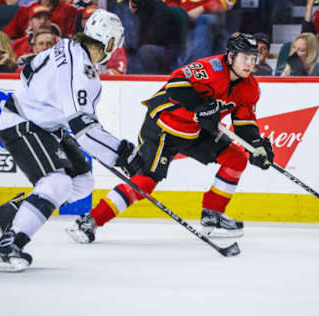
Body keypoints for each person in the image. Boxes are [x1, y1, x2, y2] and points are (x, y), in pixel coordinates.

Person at [66, 32, 275, 243]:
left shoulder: (249, 87)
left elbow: (244, 122)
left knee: (237, 158)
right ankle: (89, 221)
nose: (249, 63)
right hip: (163, 128)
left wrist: (255, 146)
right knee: (145, 182)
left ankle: (213, 215)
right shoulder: (211, 68)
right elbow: (176, 84)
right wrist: (201, 107)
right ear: (230, 56)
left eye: (253, 58)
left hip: (196, 131)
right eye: (244, 57)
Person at [0, 9, 142, 272]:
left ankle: (9, 215)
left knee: (82, 181)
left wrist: (48, 104)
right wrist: (124, 155)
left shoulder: (65, 45)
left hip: (45, 125)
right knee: (56, 181)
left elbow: (28, 71)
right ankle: (7, 247)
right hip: (22, 124)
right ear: (110, 42)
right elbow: (84, 130)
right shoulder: (83, 73)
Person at [80, 5, 127, 75]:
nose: (92, 22)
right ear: (83, 22)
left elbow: (119, 71)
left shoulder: (114, 43)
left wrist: (106, 74)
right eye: (88, 18)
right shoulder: (77, 45)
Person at [3, 0, 80, 40]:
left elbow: (75, 38)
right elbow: (6, 35)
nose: (43, 21)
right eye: (38, 18)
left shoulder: (71, 11)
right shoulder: (26, 9)